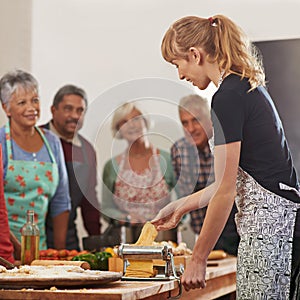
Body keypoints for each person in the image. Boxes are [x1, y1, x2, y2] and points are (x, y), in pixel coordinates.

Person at [151, 15, 300, 299]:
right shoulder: (242, 87)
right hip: (278, 226)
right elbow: (226, 183)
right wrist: (180, 207)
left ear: (195, 55)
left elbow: (224, 190)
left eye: (177, 64)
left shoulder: (228, 96)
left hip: (269, 231)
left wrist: (198, 257)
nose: (181, 75)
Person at [0, 69, 71, 250]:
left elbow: (61, 201)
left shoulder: (52, 142)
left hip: (39, 248)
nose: (31, 108)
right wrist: (16, 250)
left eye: (35, 100)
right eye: (22, 102)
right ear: (6, 108)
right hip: (5, 250)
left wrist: (59, 252)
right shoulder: (1, 142)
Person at [172, 94, 239, 255]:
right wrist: (204, 239)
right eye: (185, 123)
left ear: (210, 118)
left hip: (238, 226)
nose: (191, 128)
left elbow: (232, 191)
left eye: (196, 120)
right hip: (207, 232)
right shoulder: (179, 151)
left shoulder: (226, 142)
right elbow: (188, 197)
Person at [102, 101, 177, 243]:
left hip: (163, 238)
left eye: (136, 119)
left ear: (146, 122)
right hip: (125, 239)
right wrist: (126, 218)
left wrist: (168, 218)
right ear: (118, 129)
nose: (131, 125)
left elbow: (183, 199)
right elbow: (106, 208)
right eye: (124, 122)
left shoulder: (168, 160)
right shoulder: (111, 167)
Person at [42, 84, 101, 250]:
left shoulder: (87, 150)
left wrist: (96, 242)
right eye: (68, 109)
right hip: (35, 235)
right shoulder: (36, 140)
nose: (74, 116)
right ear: (53, 110)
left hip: (69, 239)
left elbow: (89, 201)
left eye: (80, 111)